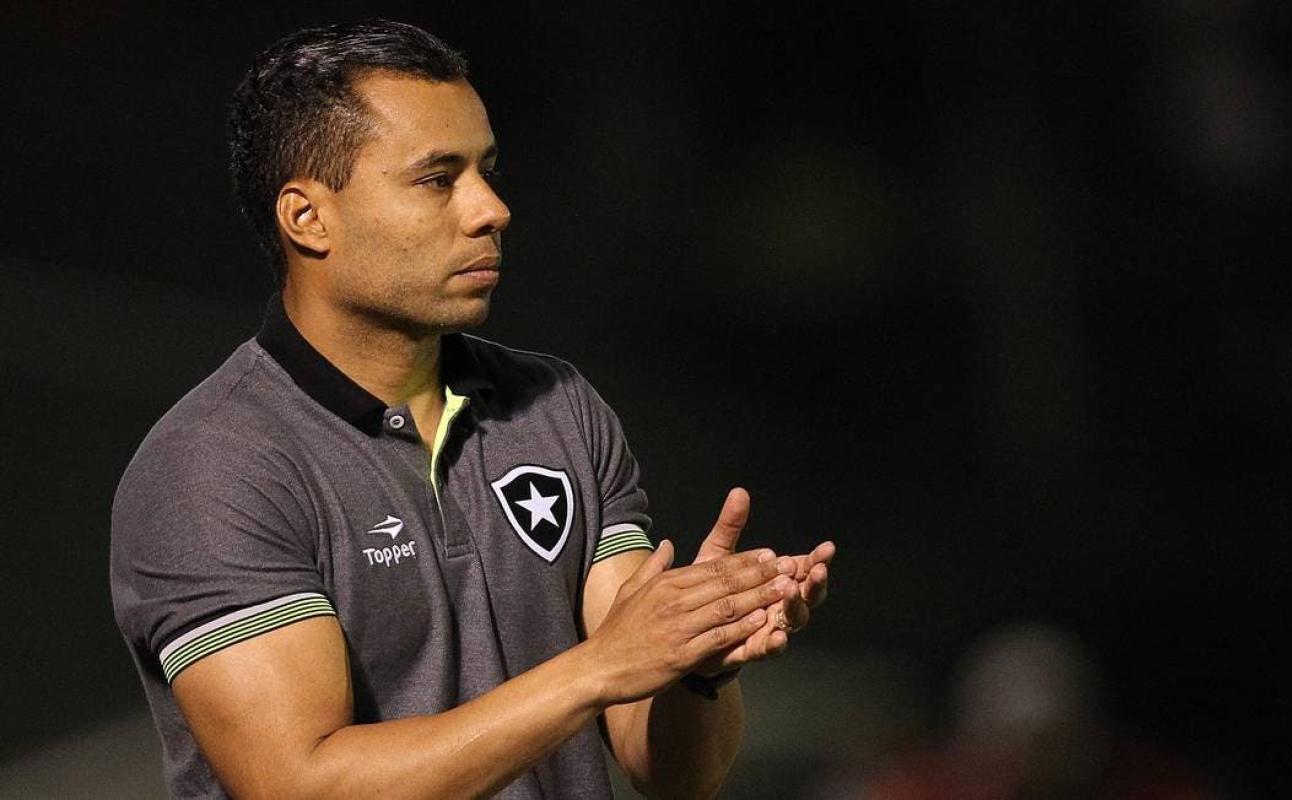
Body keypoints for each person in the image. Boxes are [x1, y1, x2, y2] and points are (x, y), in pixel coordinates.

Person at [109, 19, 834, 799]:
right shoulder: (212, 466)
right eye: (436, 179)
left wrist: (696, 660)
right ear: (307, 218)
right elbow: (302, 785)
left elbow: (668, 773)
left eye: (486, 171)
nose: (492, 209)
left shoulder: (558, 409)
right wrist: (598, 667)